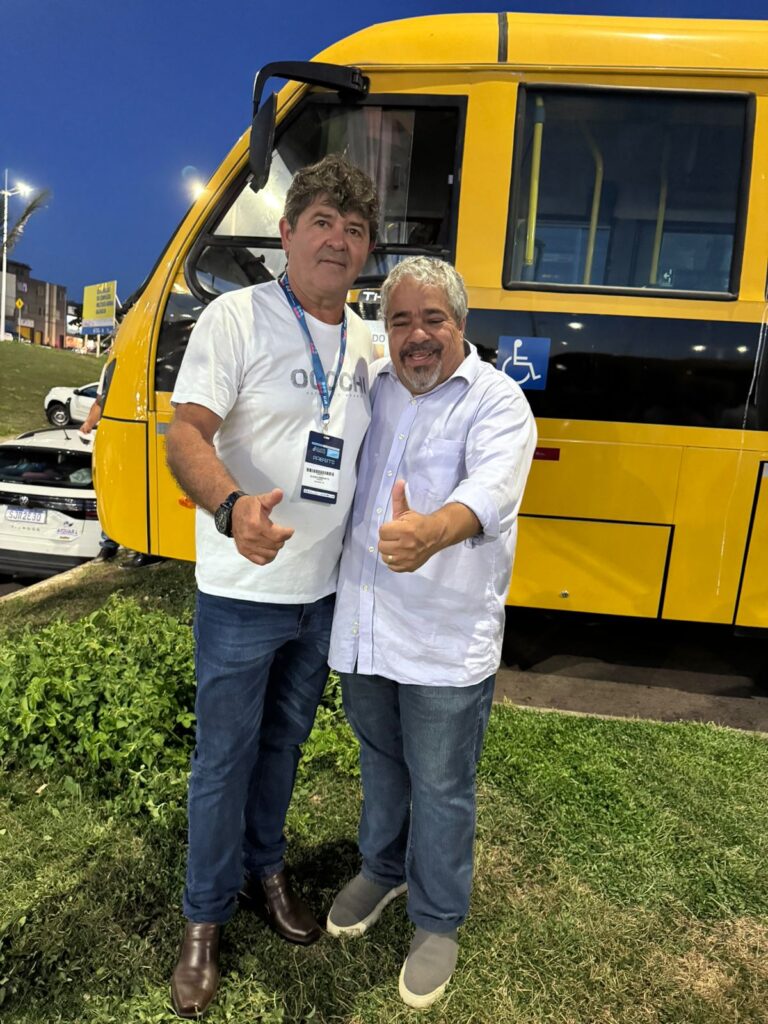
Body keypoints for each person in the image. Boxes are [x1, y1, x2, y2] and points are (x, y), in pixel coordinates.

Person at [164, 154, 379, 1019]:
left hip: (320, 594)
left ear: (366, 251)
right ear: (287, 234)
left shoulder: (365, 341)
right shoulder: (237, 317)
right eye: (322, 222)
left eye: (354, 230)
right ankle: (203, 918)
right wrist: (230, 509)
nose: (338, 240)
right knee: (224, 759)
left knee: (283, 745)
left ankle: (265, 870)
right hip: (242, 591)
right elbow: (186, 433)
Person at [326, 257, 536, 1009]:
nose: (416, 336)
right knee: (381, 762)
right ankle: (383, 870)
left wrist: (432, 531)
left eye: (432, 319)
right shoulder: (376, 388)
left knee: (443, 786)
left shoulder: (497, 401)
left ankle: (438, 918)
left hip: (445, 637)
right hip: (366, 624)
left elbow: (489, 493)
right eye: (400, 321)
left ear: (461, 324)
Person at [81, 365, 163, 568]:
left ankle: (146, 548)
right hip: (118, 436)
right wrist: (88, 424)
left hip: (143, 433)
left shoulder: (147, 361)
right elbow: (100, 401)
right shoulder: (112, 365)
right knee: (114, 491)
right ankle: (109, 544)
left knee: (144, 491)